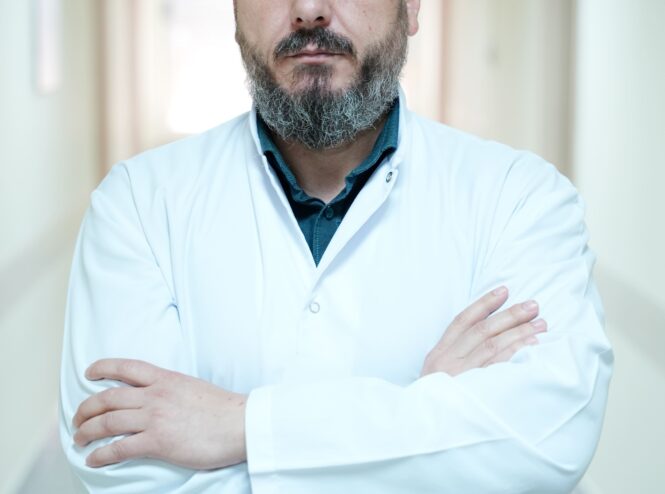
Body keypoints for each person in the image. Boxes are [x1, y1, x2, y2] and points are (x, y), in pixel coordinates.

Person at [59, 1, 613, 492]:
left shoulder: (521, 199)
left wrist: (239, 425)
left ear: (411, 7)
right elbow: (121, 466)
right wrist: (427, 419)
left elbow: (544, 439)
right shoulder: (137, 204)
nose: (309, 9)